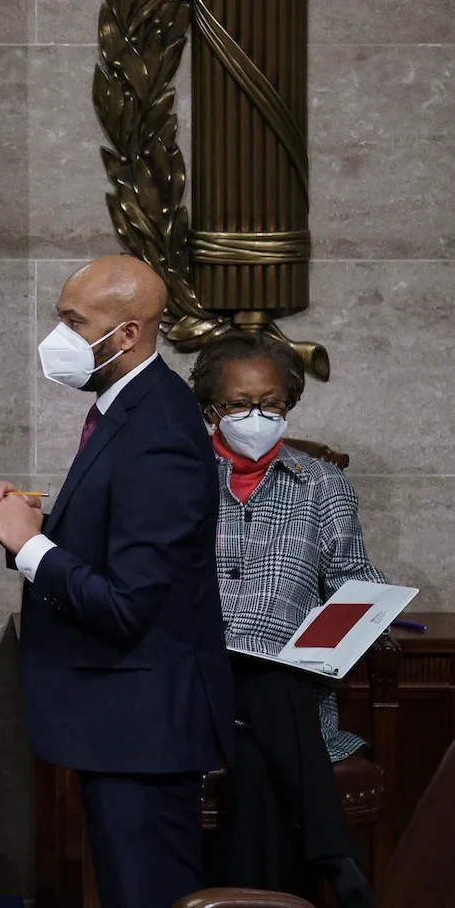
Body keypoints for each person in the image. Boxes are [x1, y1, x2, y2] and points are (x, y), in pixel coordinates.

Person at [0, 255, 235, 908]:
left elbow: (127, 603)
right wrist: (35, 527)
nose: (57, 338)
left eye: (73, 322)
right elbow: (113, 541)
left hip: (143, 729)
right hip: (122, 723)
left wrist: (28, 542)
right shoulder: (130, 404)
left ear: (126, 334)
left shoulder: (161, 433)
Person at [191, 332, 383, 907]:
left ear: (288, 405)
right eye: (238, 404)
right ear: (210, 410)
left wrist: (367, 610)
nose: (256, 416)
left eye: (270, 404)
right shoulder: (176, 479)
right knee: (265, 685)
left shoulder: (323, 485)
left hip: (289, 683)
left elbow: (355, 577)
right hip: (198, 678)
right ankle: (334, 856)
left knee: (256, 756)